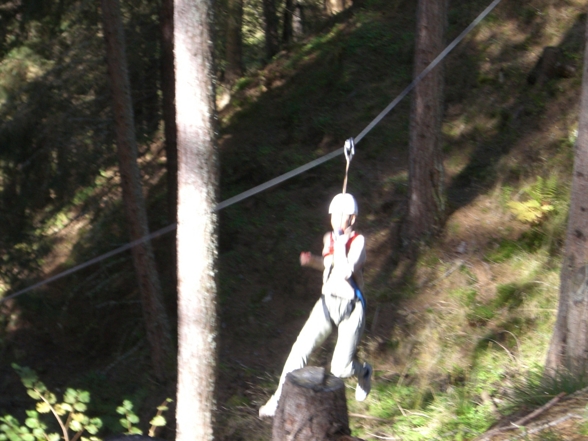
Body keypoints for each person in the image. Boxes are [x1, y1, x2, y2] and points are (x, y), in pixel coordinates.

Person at [259, 193, 373, 418]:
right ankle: (278, 399)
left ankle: (364, 371)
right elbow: (330, 267)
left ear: (352, 219)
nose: (335, 220)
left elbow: (347, 270)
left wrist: (340, 242)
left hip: (352, 307)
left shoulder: (358, 241)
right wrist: (313, 261)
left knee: (340, 368)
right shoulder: (329, 238)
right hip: (328, 302)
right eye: (333, 216)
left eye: (340, 216)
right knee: (300, 349)